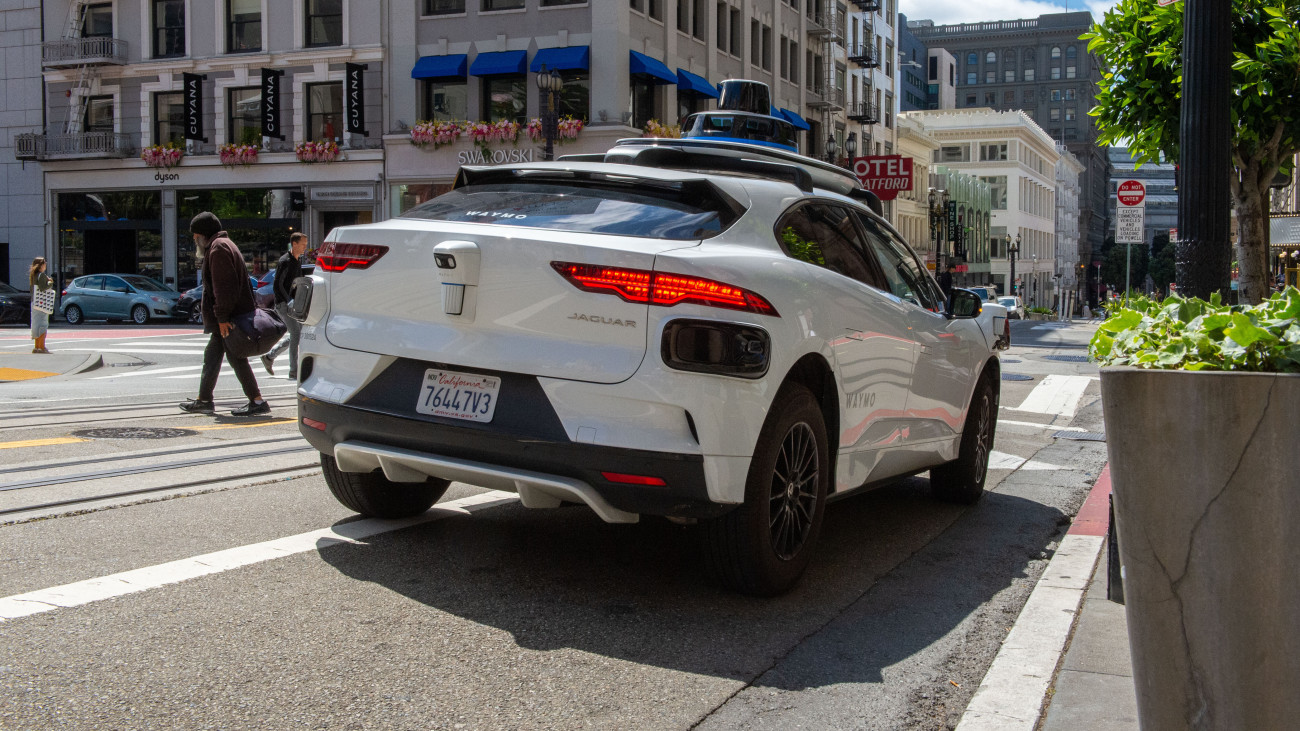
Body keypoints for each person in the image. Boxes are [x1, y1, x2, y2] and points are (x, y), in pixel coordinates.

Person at [180, 212, 270, 417]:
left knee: (235, 358)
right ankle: (205, 400)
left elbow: (224, 287)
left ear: (203, 234)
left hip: (229, 318)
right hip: (230, 316)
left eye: (195, 235)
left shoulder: (218, 248)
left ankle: (256, 401)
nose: (194, 239)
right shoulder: (224, 244)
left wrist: (222, 318)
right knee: (213, 356)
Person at [262, 232, 307, 379]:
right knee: (296, 333)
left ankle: (269, 357)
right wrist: (288, 300)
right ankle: (294, 371)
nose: (305, 247)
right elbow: (278, 284)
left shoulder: (297, 260)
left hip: (291, 304)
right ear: (294, 244)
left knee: (297, 334)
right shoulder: (285, 261)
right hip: (283, 304)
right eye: (303, 244)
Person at [29, 257, 53, 354]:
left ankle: (37, 347)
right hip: (42, 303)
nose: (45, 265)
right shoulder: (42, 275)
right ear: (41, 265)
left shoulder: (33, 275)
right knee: (43, 324)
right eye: (45, 263)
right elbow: (43, 288)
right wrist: (50, 282)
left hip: (34, 302)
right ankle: (42, 347)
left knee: (36, 324)